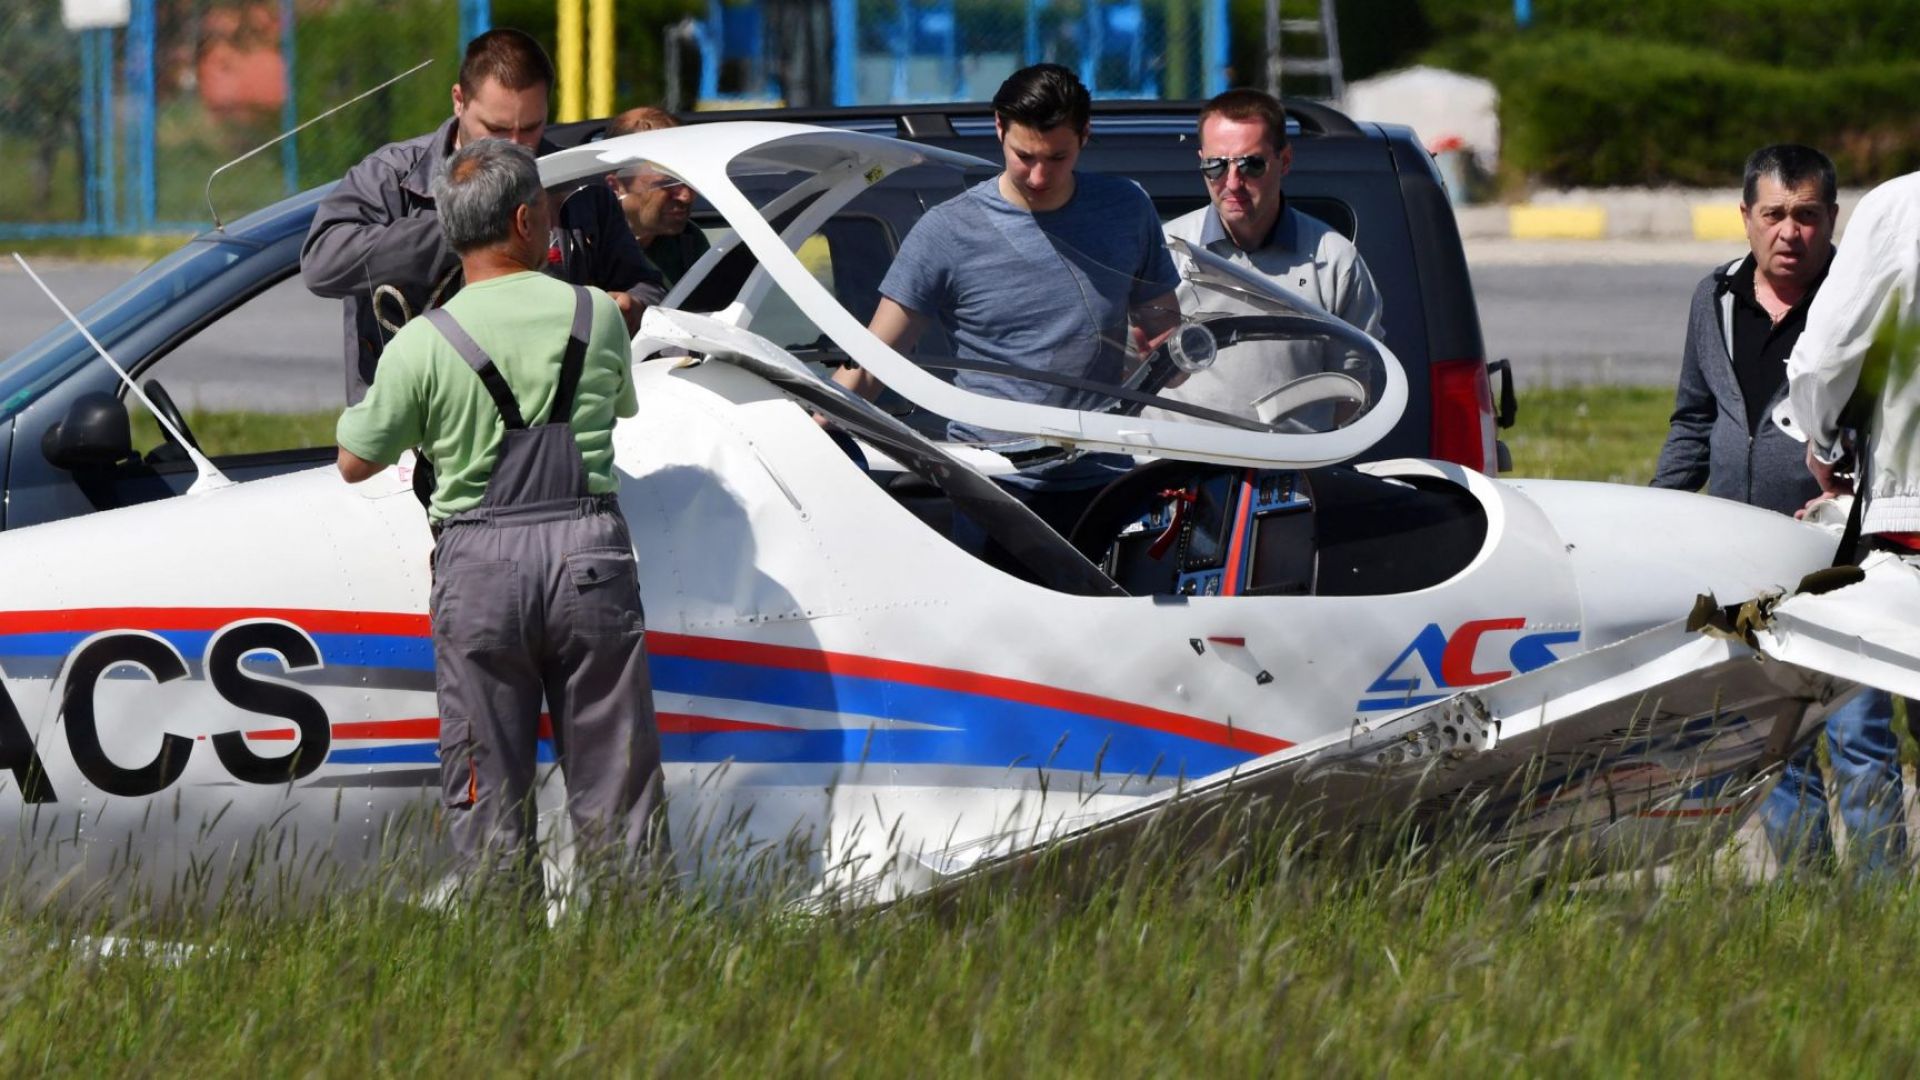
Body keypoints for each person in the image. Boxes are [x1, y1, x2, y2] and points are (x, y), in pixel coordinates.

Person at [335, 139, 666, 893]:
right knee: (618, 780)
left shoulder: (423, 343)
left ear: (453, 234)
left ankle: (504, 954)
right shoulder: (595, 313)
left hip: (479, 569)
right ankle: (634, 955)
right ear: (527, 221)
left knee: (486, 783)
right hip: (590, 558)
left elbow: (355, 461)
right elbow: (619, 405)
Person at [1655, 144, 1903, 874]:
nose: (1788, 232)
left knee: (1859, 740)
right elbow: (1694, 418)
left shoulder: (1861, 305)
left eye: (1806, 215)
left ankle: (1882, 901)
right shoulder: (1715, 298)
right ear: (1746, 218)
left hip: (1843, 565)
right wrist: (1657, 512)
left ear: (1833, 221)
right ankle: (1807, 894)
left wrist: (1847, 497)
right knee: (1778, 744)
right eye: (1773, 215)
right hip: (1741, 558)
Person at [832, 63, 1181, 541]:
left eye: (1057, 157)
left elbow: (1165, 335)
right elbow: (873, 360)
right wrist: (813, 431)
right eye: (1024, 155)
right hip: (992, 486)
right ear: (998, 128)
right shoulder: (946, 230)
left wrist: (1166, 350)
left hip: (1105, 480)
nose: (1038, 176)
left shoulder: (1126, 207)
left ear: (1085, 134)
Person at [303, 28, 664, 404]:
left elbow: (647, 287)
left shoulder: (577, 184)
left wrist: (631, 306)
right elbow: (322, 263)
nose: (515, 146)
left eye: (530, 128)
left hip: (540, 428)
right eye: (494, 128)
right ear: (459, 101)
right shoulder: (393, 176)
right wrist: (464, 227)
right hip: (414, 428)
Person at [1158, 88, 1384, 426]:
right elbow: (1127, 366)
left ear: (1286, 161)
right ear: (1201, 161)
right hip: (1174, 471)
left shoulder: (1334, 261)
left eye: (1251, 164)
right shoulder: (1164, 250)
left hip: (1291, 472)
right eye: (1215, 166)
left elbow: (1351, 390)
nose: (1232, 182)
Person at [602, 106, 711, 289]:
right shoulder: (582, 246)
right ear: (616, 185)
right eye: (667, 184)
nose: (685, 196)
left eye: (689, 180)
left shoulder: (688, 242)